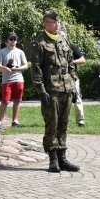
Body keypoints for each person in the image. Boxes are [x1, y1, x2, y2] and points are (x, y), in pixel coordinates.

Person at [31, 9, 80, 173]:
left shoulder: (63, 41)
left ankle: (62, 158)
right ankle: (53, 159)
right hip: (51, 89)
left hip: (66, 88)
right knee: (52, 123)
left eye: (58, 22)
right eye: (54, 22)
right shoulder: (40, 43)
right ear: (46, 23)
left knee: (64, 123)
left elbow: (71, 65)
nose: (57, 25)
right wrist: (41, 90)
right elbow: (36, 69)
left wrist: (73, 86)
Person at [0, 32, 28, 129]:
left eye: (15, 39)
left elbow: (25, 66)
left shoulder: (20, 52)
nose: (13, 41)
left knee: (17, 100)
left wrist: (17, 68)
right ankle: (0, 121)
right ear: (7, 40)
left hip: (18, 79)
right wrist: (6, 68)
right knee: (5, 101)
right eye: (11, 39)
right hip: (7, 80)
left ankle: (15, 120)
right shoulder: (2, 52)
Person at [70, 43, 86, 126]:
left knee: (77, 98)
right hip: (58, 78)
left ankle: (80, 120)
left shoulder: (72, 46)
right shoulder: (53, 45)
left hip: (72, 77)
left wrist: (72, 61)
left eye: (63, 35)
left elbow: (83, 60)